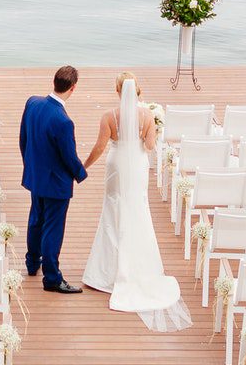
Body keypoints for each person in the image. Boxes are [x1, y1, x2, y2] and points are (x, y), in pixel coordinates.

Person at [81, 72, 193, 331]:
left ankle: (105, 274)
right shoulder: (147, 116)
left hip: (117, 165)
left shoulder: (109, 116)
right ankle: (132, 269)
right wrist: (153, 129)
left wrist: (83, 166)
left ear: (118, 91)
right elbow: (151, 146)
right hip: (138, 167)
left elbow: (99, 147)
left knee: (113, 211)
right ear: (138, 90)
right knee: (138, 209)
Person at [18, 65, 87, 293]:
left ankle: (31, 263)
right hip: (56, 183)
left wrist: (30, 165)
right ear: (73, 88)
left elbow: (23, 139)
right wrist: (81, 173)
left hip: (35, 177)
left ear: (54, 82)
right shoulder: (63, 121)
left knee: (36, 220)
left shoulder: (33, 103)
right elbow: (68, 156)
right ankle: (52, 278)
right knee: (52, 229)